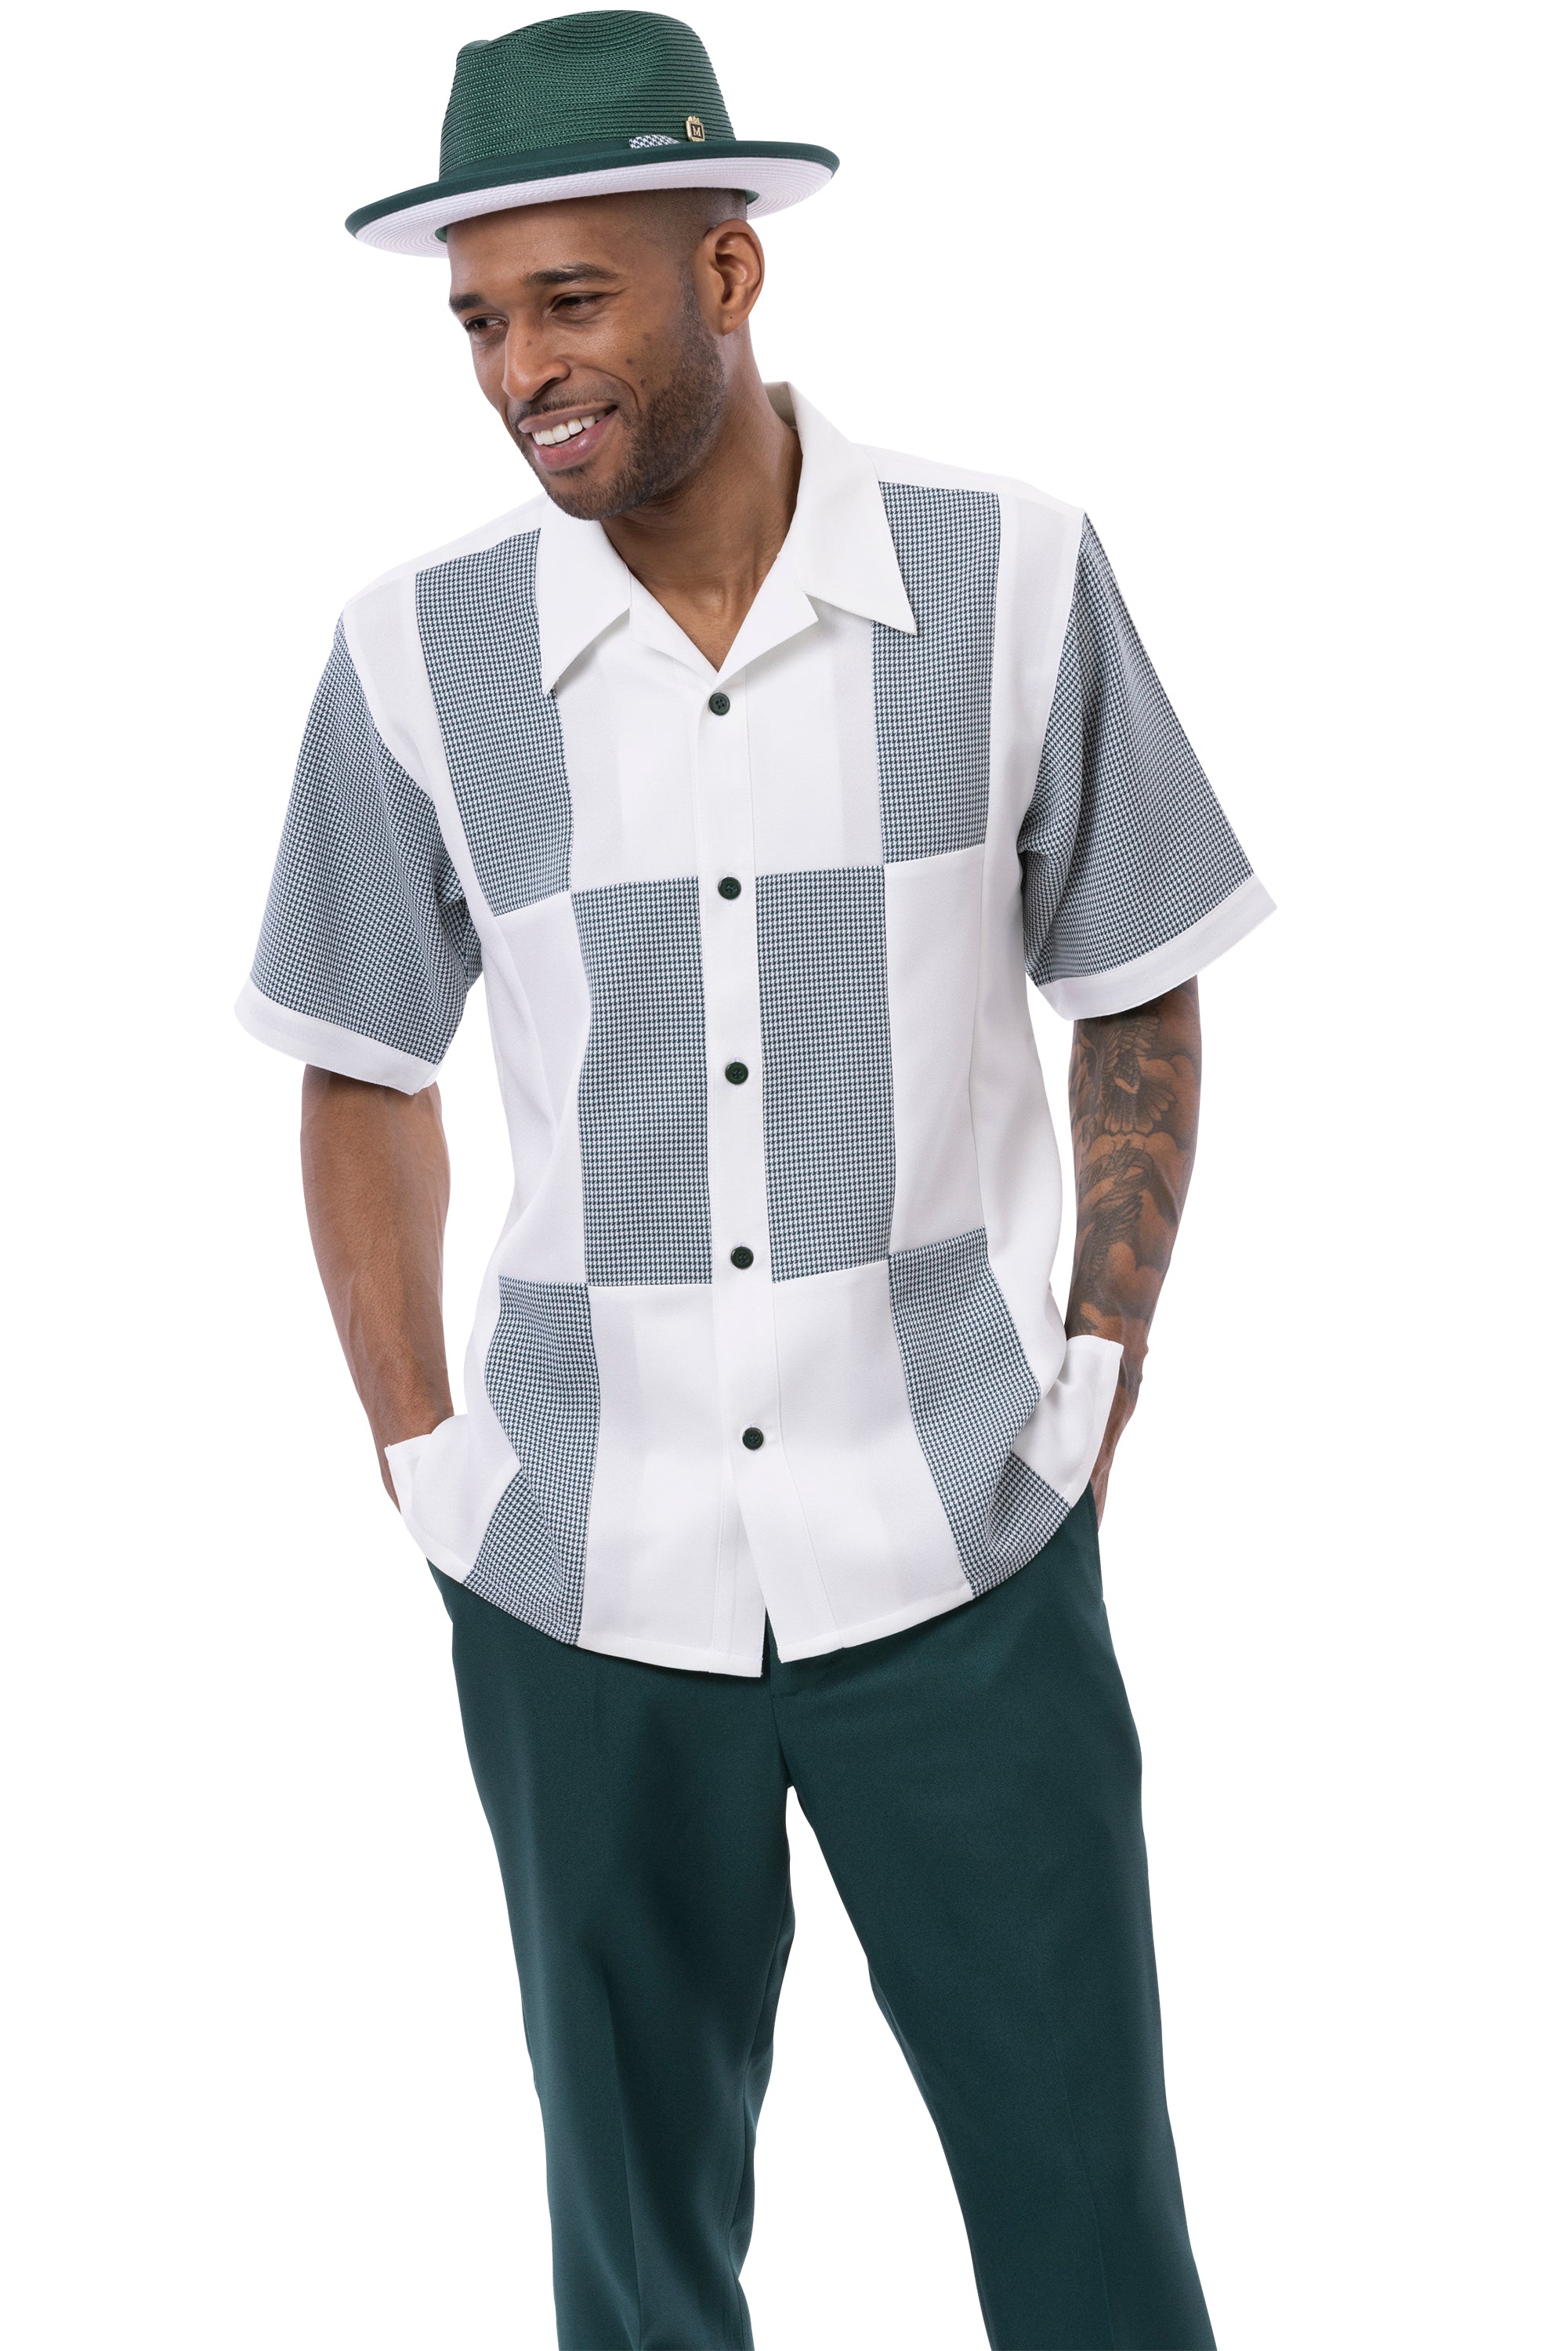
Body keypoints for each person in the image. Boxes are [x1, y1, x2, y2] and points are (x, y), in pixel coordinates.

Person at [238, 13, 1272, 2347]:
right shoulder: (414, 655)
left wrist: (1096, 1371)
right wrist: (424, 1460)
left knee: (1092, 2227)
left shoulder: (1014, 576)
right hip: (578, 1586)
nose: (522, 374)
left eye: (570, 301)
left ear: (729, 270)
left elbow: (1138, 981)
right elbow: (355, 1069)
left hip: (962, 1549)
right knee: (635, 2264)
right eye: (479, 325)